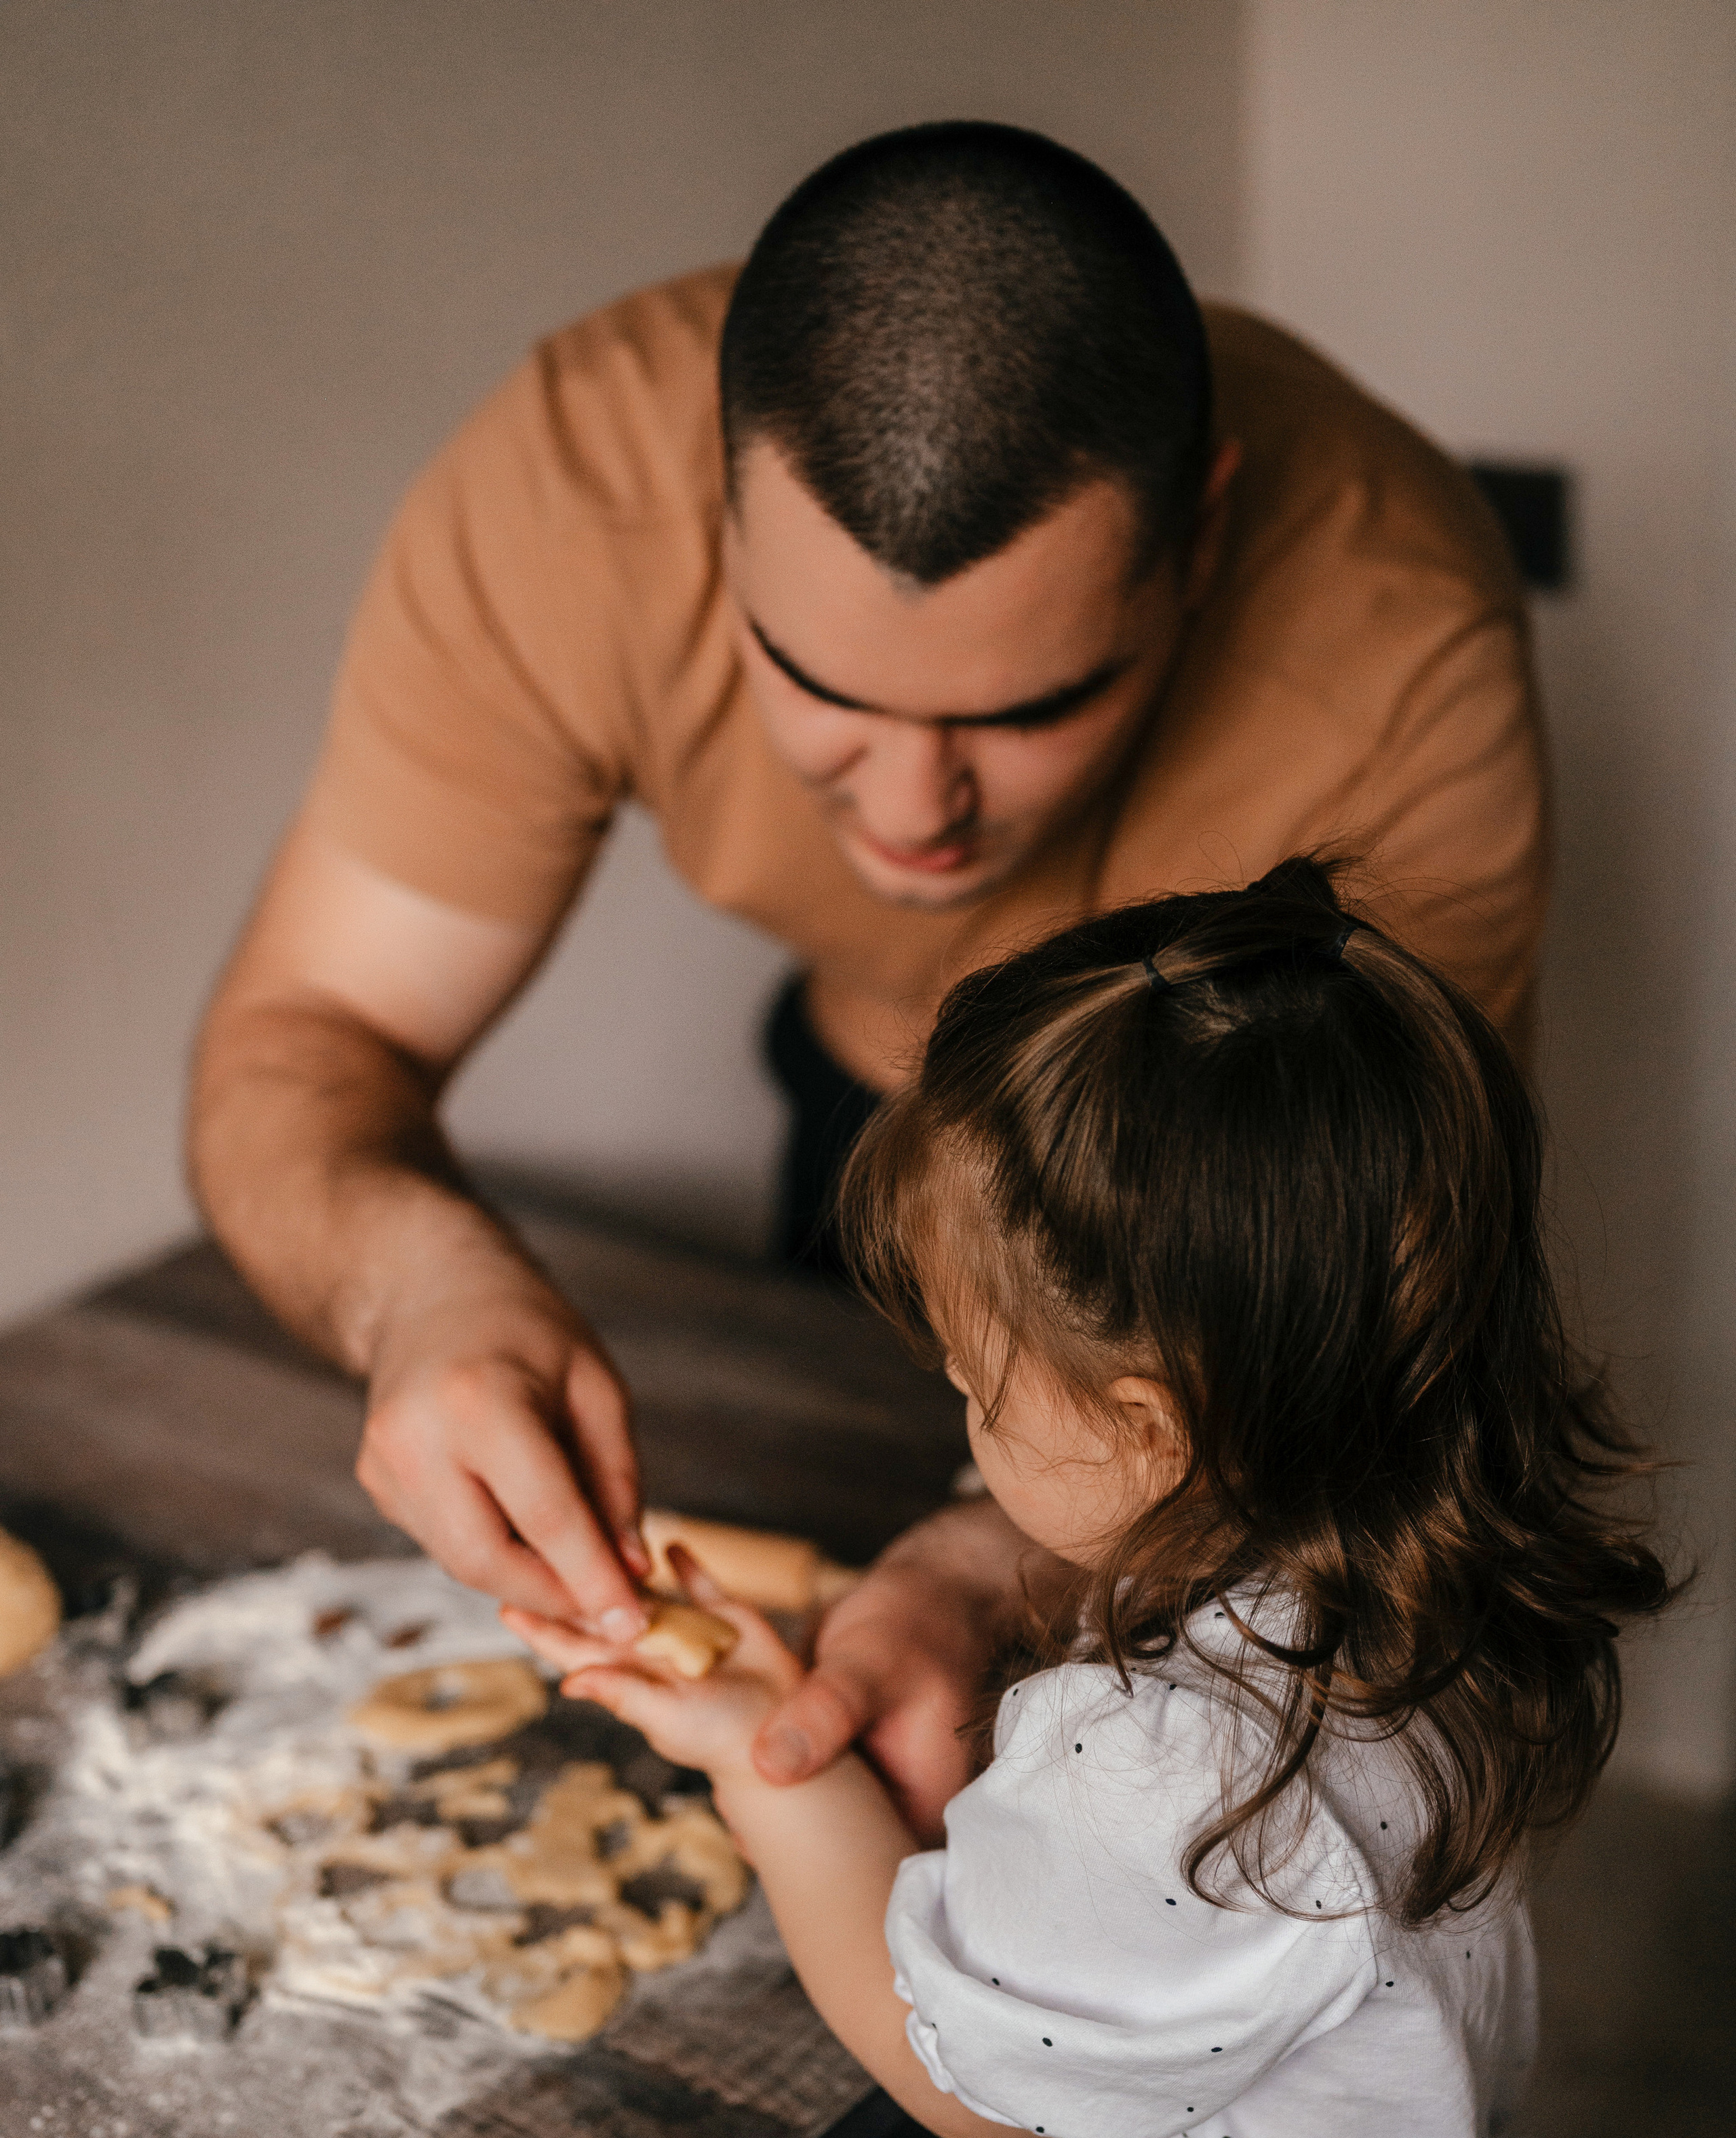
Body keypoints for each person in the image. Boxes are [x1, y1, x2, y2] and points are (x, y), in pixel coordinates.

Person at [190, 121, 1548, 1849]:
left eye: (1026, 706)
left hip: (1230, 1257)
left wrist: (998, 1555)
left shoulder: (1398, 646)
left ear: (1193, 546)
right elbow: (310, 1033)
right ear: (718, 518)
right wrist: (415, 1292)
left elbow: (1369, 1371)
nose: (913, 817)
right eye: (817, 683)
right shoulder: (564, 494)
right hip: (865, 1110)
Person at [502, 860, 1686, 2138]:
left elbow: (943, 2064)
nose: (964, 1421)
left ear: (1145, 1431)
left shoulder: (1162, 1777)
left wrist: (769, 1755)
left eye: (979, 1390)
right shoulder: (1430, 1573)